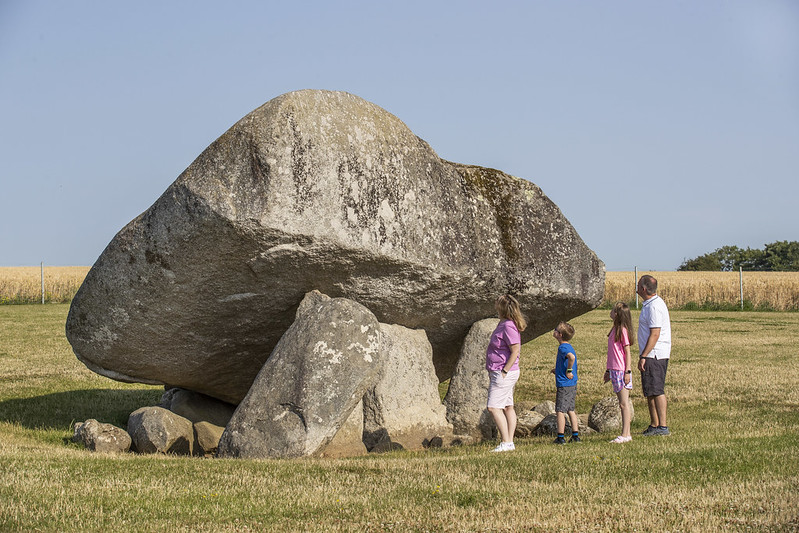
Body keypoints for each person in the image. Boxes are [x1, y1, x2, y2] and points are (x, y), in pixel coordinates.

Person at [485, 294, 527, 452]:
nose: (494, 302)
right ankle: (509, 442)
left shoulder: (508, 325)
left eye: (497, 301)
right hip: (500, 371)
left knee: (493, 407)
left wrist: (504, 370)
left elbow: (515, 350)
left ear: (502, 307)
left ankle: (506, 441)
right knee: (508, 406)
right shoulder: (503, 323)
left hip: (503, 372)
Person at [637, 275, 672, 436]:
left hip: (655, 354)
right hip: (651, 354)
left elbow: (655, 334)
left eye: (638, 285)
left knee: (657, 390)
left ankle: (662, 426)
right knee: (649, 390)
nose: (636, 288)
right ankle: (654, 424)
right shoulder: (649, 304)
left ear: (643, 289)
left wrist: (644, 355)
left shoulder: (654, 307)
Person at [604, 302, 635, 443]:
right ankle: (626, 434)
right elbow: (611, 353)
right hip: (614, 369)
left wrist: (627, 371)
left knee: (623, 403)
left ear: (617, 314)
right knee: (622, 403)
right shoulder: (614, 329)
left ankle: (625, 434)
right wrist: (608, 370)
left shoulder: (622, 330)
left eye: (613, 310)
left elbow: (627, 352)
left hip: (621, 370)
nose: (610, 311)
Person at [550, 321, 580, 444]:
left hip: (564, 384)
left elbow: (571, 357)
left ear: (560, 335)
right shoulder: (569, 345)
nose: (554, 330)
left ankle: (560, 437)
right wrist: (557, 370)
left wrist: (568, 370)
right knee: (570, 409)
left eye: (556, 329)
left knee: (560, 411)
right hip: (572, 383)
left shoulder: (562, 347)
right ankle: (575, 435)